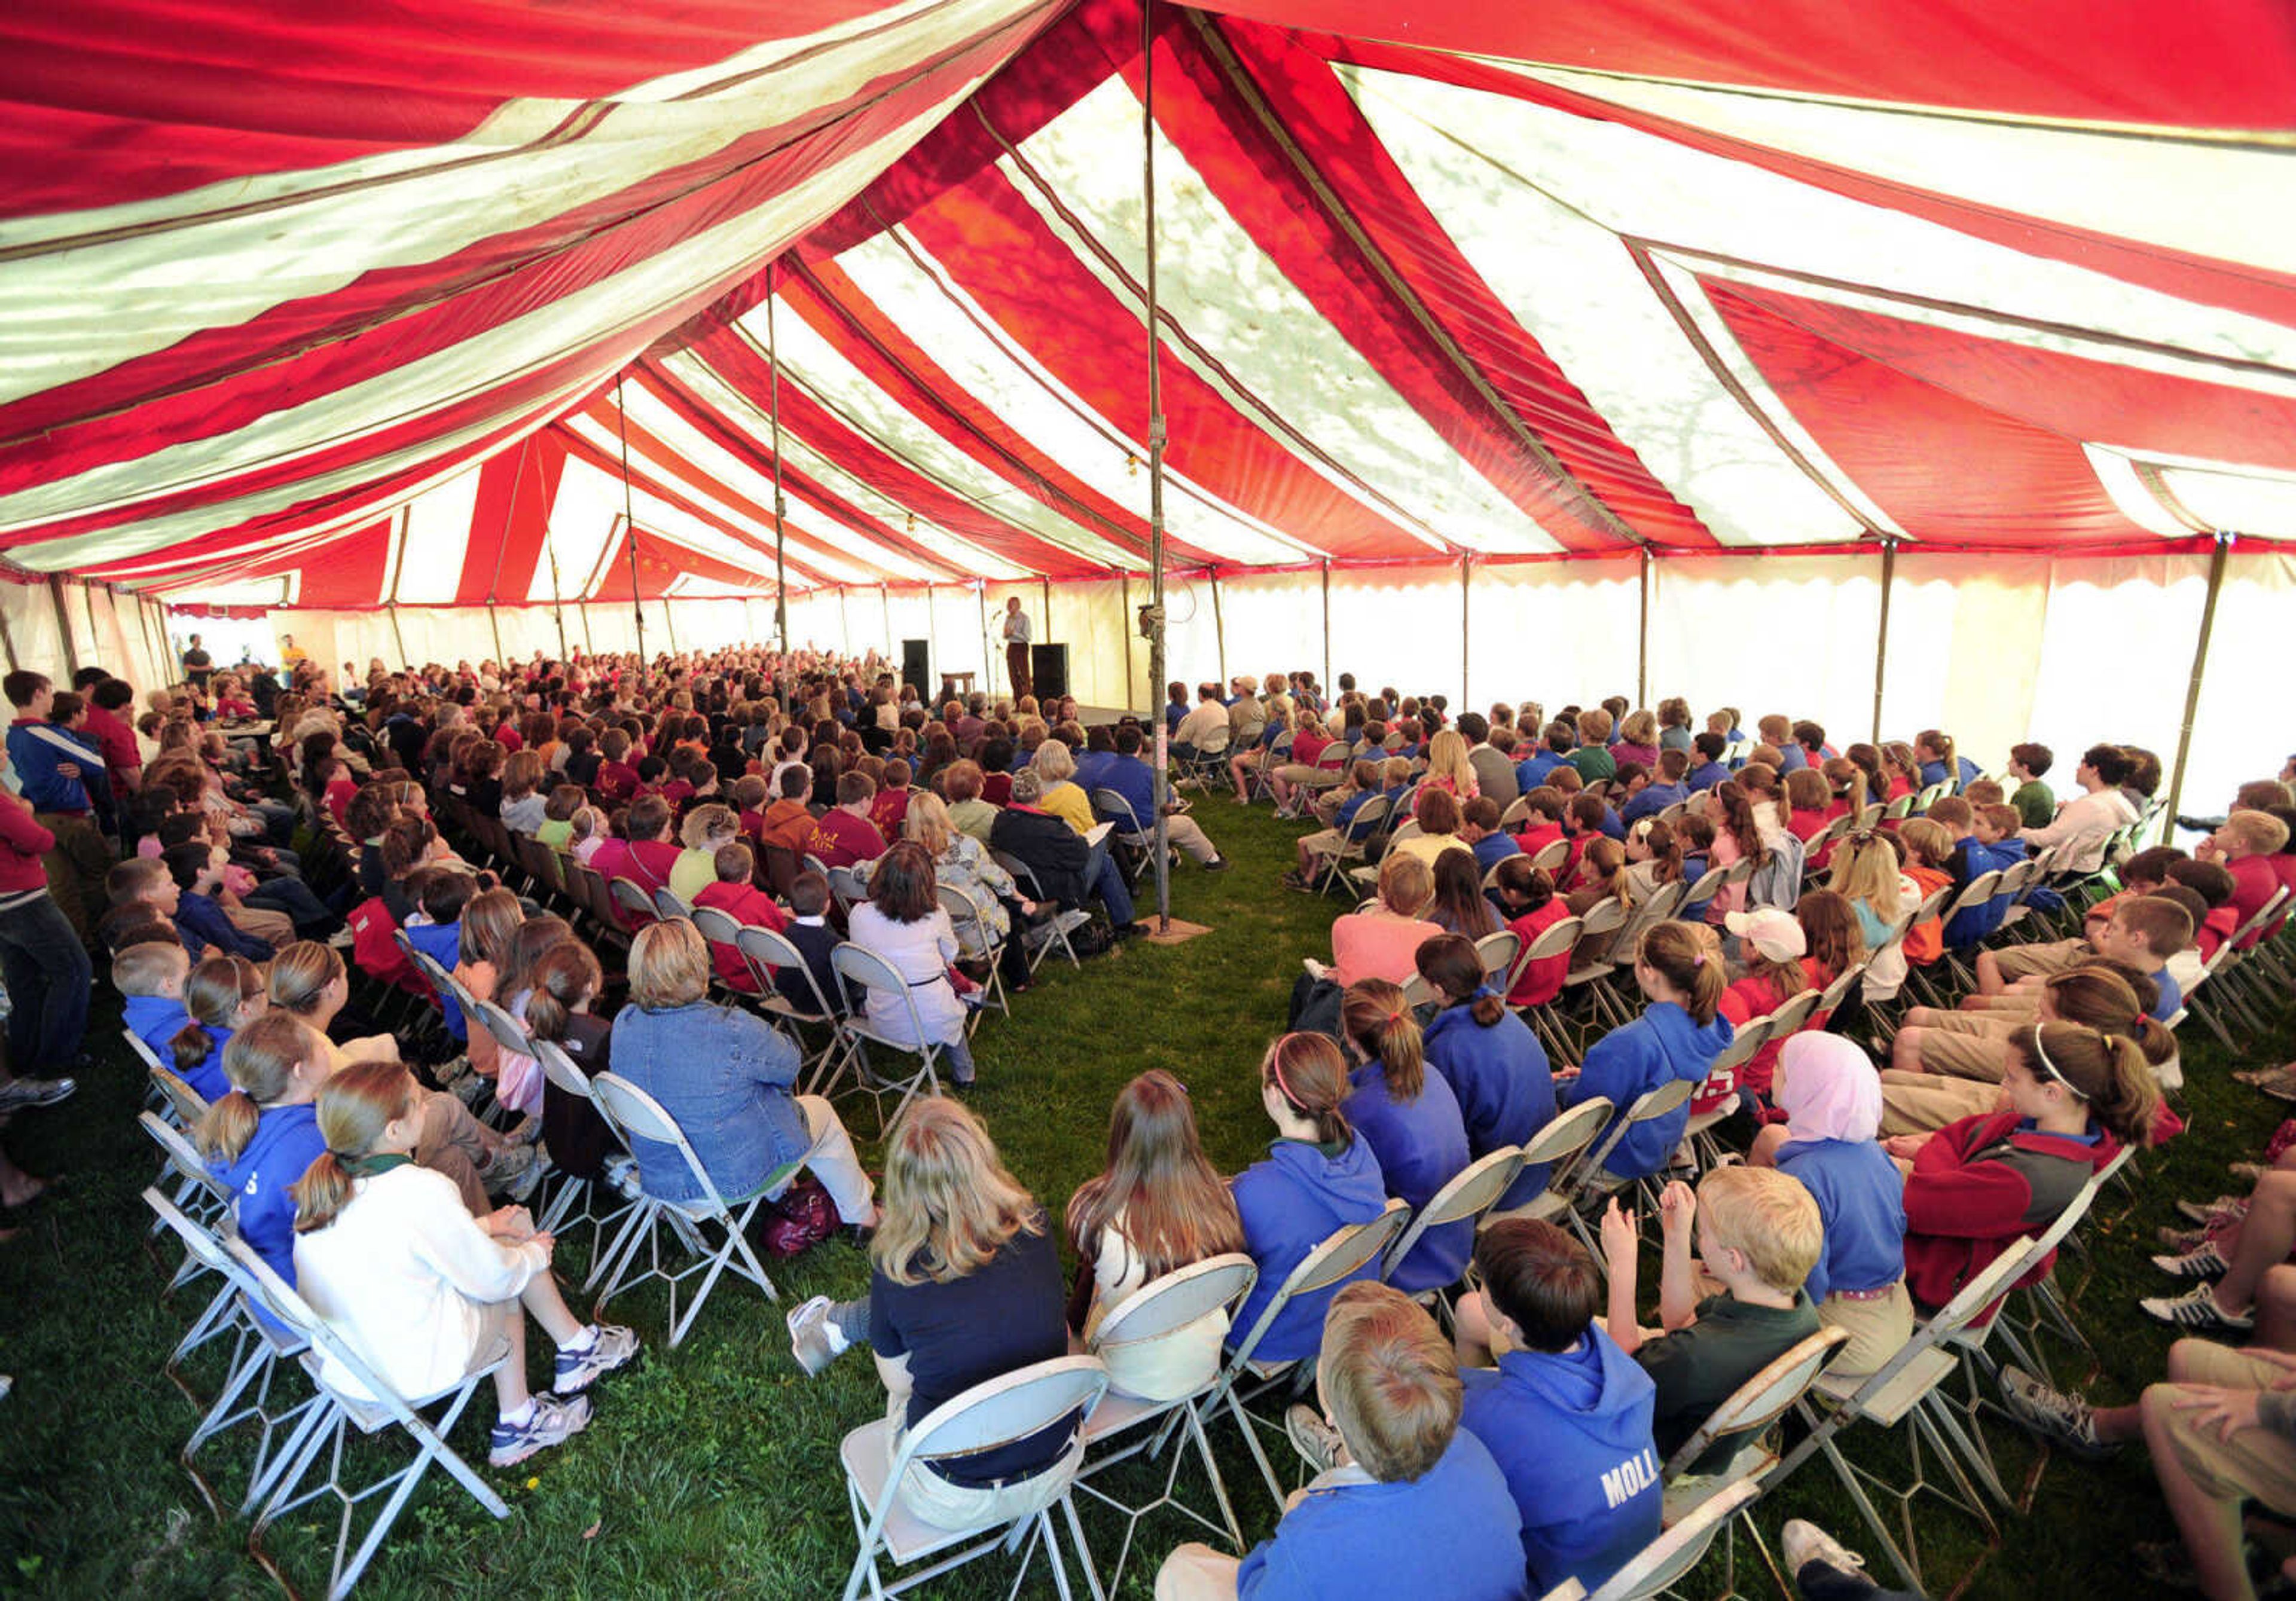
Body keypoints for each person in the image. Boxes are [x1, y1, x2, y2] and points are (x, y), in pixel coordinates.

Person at [289, 1060, 638, 1466]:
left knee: (504, 1236)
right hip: (408, 1365)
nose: (427, 1106)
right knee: (511, 1259)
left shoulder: (321, 1195)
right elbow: (493, 1279)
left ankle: (578, 1347)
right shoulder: (418, 1190)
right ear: (394, 1131)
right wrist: (534, 1252)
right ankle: (519, 1420)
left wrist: (487, 1225)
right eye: (417, 1103)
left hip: (354, 1361)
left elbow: (406, 1244)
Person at [784, 1099, 1077, 1530]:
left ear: (903, 1184)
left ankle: (834, 1327)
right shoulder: (1034, 1224)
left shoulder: (897, 1270)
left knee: (910, 1364)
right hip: (1055, 1463)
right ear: (981, 1158)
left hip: (951, 1494)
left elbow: (900, 1384)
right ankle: (836, 1326)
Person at [1155, 1282, 1528, 1601]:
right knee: (1302, 1506)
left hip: (1325, 1555)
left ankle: (1340, 1469)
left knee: (1182, 1568)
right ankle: (1341, 1463)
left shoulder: (1313, 1548)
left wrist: (1295, 1533)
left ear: (1332, 1411)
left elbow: (1262, 1588)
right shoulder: (1475, 1454)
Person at [607, 920, 877, 1223]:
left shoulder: (624, 1024)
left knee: (745, 1095)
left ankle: (783, 1192)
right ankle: (864, 1218)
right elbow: (789, 1064)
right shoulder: (731, 1029)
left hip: (664, 1177)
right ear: (698, 966)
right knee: (822, 1113)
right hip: (729, 1177)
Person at [1452, 1219, 1660, 1596]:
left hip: (1555, 1586)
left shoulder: (1489, 1417)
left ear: (1507, 1322)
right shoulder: (1623, 1369)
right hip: (1639, 1564)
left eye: (1483, 1284)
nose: (1479, 1289)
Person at [1889, 1021, 2157, 1313]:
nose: (2003, 1085)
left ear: (2052, 1093)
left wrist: (1928, 1159)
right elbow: (1961, 1135)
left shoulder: (2028, 1178)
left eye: (2012, 1078)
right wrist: (1941, 1165)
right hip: (1937, 1219)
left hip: (1930, 1264)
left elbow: (1916, 1206)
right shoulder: (2045, 1126)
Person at [1599, 1166, 1823, 1471]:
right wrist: (1677, 1235)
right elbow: (1681, 1323)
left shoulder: (1697, 1356)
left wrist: (1621, 1268)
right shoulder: (1793, 1307)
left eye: (1702, 1232)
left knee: (1564, 1335)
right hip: (1719, 1437)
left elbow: (1623, 1372)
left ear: (1734, 1260)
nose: (1699, 1238)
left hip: (1653, 1447)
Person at [1066, 1070, 1248, 1401]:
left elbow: (1089, 1269)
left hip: (1125, 1375)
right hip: (1202, 1365)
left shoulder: (1093, 1211)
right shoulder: (1222, 1200)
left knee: (1094, 1274)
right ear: (1186, 1135)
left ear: (1121, 1135)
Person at [1747, 1035, 1910, 1377]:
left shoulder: (1802, 1179)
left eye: (1782, 1068)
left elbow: (1806, 1286)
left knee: (1706, 1286)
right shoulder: (1872, 1151)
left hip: (1849, 1335)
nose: (1774, 1071)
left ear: (1809, 1088)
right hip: (1895, 1309)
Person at [1230, 1033, 1391, 1363]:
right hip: (1344, 1316)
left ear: (1274, 1094)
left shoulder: (1254, 1192)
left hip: (1275, 1336)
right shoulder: (1364, 1156)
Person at [1568, 921, 1733, 1181]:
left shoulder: (1631, 1043)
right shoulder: (1707, 1025)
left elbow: (1583, 1108)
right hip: (1660, 1142)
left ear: (1648, 972)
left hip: (1615, 1155)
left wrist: (1564, 1085)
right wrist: (1593, 1074)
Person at [1337, 980, 1473, 1294]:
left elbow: (1345, 1192)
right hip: (1454, 1237)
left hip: (1411, 1257)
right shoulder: (1429, 1073)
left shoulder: (1361, 1111)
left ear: (1351, 1038)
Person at [1415, 934, 1556, 1212]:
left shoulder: (1450, 1048)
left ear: (1439, 990)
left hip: (1493, 1185)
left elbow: (1444, 1133)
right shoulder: (1509, 1019)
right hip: (1535, 1169)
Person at [848, 841, 980, 1089]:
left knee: (938, 994)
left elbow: (861, 960)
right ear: (926, 881)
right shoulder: (936, 915)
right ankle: (965, 1076)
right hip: (932, 1018)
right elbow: (949, 956)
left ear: (881, 875)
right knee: (949, 1003)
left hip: (882, 1014)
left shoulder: (859, 914)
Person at [1000, 595, 1033, 699]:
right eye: (1008, 604)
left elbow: (1028, 637)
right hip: (1011, 646)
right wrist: (1007, 634)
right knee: (1013, 676)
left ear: (1018, 606)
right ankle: (1018, 702)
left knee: (1024, 676)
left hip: (1021, 647)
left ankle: (1027, 701)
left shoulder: (1025, 618)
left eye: (1011, 604)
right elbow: (1004, 636)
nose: (1009, 607)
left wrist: (1014, 633)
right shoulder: (1008, 618)